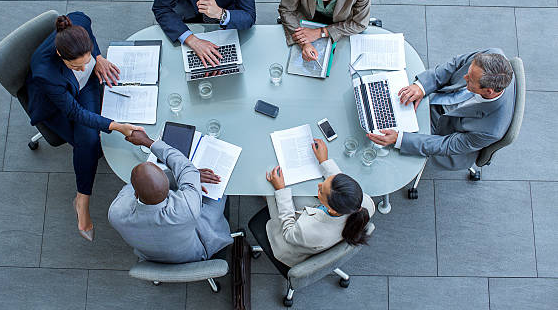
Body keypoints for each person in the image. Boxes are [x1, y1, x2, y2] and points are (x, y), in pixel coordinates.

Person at [26, 12, 144, 241]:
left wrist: (97, 58)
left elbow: (86, 24)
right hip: (57, 105)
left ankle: (82, 194)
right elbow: (74, 112)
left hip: (86, 87)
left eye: (85, 60)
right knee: (89, 141)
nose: (82, 68)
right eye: (76, 66)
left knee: (92, 140)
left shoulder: (78, 23)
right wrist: (117, 127)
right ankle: (82, 199)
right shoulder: (45, 73)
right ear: (61, 55)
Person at [368, 48, 515, 171]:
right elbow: (456, 64)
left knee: (381, 149)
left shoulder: (491, 130)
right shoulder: (491, 55)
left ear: (488, 91)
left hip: (445, 134)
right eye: (468, 73)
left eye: (470, 80)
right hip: (438, 98)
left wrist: (400, 139)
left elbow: (447, 145)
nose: (464, 77)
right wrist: (422, 87)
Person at [108, 130, 233, 263]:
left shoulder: (115, 213)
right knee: (221, 189)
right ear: (169, 187)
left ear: (136, 194)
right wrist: (147, 141)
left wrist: (183, 177)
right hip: (195, 254)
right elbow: (185, 167)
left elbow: (132, 186)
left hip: (151, 257)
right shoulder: (186, 208)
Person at [253, 138, 375, 268]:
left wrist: (281, 190)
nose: (319, 184)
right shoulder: (364, 203)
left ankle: (268, 197)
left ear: (332, 210)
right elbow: (340, 186)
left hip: (292, 241)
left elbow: (288, 232)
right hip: (319, 222)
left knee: (265, 183)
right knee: (296, 190)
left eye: (321, 191)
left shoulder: (307, 230)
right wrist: (324, 161)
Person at [278, 0, 371, 61]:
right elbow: (287, 10)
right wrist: (304, 43)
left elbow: (360, 24)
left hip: (340, 25)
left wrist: (321, 32)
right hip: (306, 18)